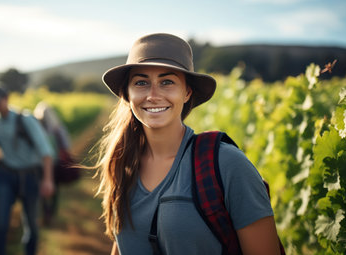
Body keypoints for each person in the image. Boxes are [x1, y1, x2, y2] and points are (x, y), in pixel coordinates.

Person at [93, 33, 282, 255]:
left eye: (167, 82)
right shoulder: (124, 166)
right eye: (141, 82)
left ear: (187, 92)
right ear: (127, 94)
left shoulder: (228, 164)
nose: (153, 95)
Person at [0, 81, 55, 255]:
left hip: (29, 176)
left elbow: (46, 151)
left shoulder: (25, 119)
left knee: (31, 225)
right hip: (5, 174)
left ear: (6, 99)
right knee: (0, 225)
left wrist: (48, 180)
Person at [33, 101, 71, 225]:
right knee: (54, 188)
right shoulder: (57, 128)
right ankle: (51, 212)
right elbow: (66, 144)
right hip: (55, 163)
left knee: (42, 188)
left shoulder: (37, 127)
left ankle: (46, 212)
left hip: (40, 163)